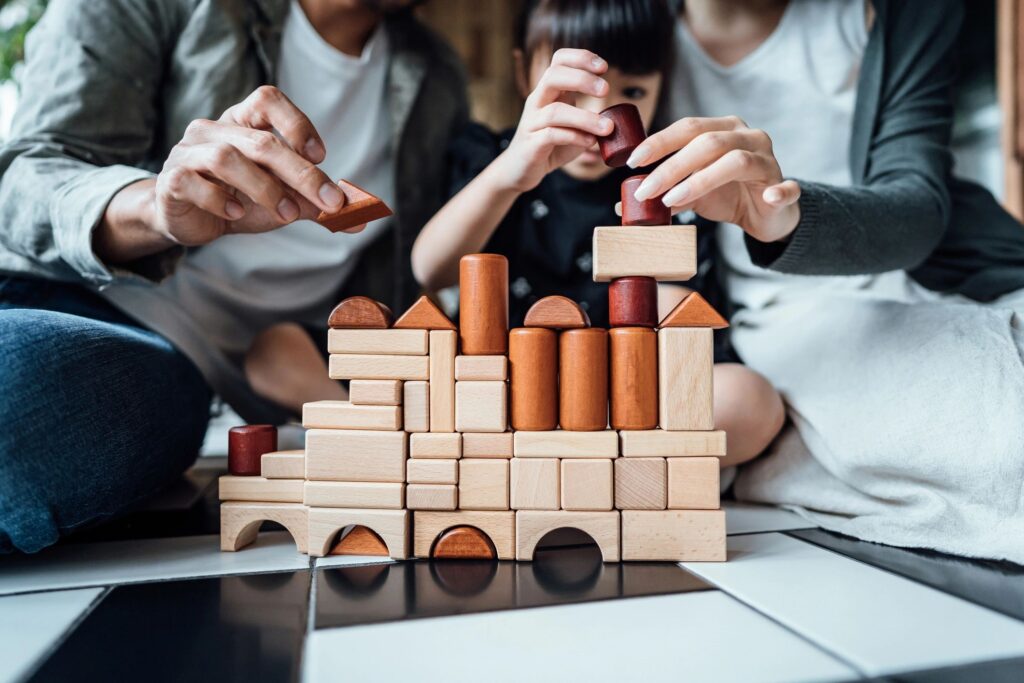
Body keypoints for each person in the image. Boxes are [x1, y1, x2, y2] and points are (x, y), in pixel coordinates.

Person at [0, 0, 468, 553]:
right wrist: (155, 208)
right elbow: (23, 178)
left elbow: (411, 277)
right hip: (72, 300)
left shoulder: (435, 73)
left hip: (201, 373)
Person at [619, 0, 1024, 563]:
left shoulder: (903, 13)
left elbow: (919, 203)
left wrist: (787, 215)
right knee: (999, 424)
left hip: (953, 268)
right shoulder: (620, 26)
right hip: (786, 312)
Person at [412, 0, 786, 468]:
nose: (601, 119)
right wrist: (510, 173)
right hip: (518, 379)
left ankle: (594, 459)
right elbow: (430, 268)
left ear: (662, 85)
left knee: (751, 400)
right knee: (437, 390)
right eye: (575, 94)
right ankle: (591, 460)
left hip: (630, 385)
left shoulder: (669, 177)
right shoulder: (493, 158)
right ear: (526, 74)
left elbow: (677, 304)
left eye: (631, 90)